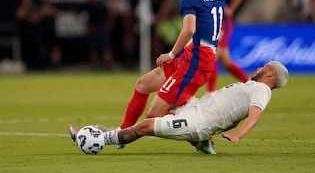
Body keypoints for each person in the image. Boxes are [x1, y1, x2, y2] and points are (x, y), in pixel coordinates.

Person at [117, 0, 236, 136]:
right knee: (143, 84)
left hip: (195, 61)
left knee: (153, 114)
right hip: (195, 57)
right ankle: (122, 132)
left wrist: (170, 54)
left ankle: (199, 132)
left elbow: (189, 29)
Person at [69, 61, 289, 154]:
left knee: (146, 125)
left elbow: (254, 116)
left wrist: (237, 135)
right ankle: (202, 144)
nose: (259, 67)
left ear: (270, 74)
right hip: (195, 107)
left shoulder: (262, 90)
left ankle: (97, 139)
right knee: (158, 103)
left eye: (264, 67)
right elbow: (235, 114)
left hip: (197, 121)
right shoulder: (253, 86)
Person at [195, 0, 249, 91]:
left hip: (221, 22)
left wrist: (230, 10)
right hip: (209, 23)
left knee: (213, 53)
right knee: (225, 61)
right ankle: (249, 82)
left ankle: (210, 92)